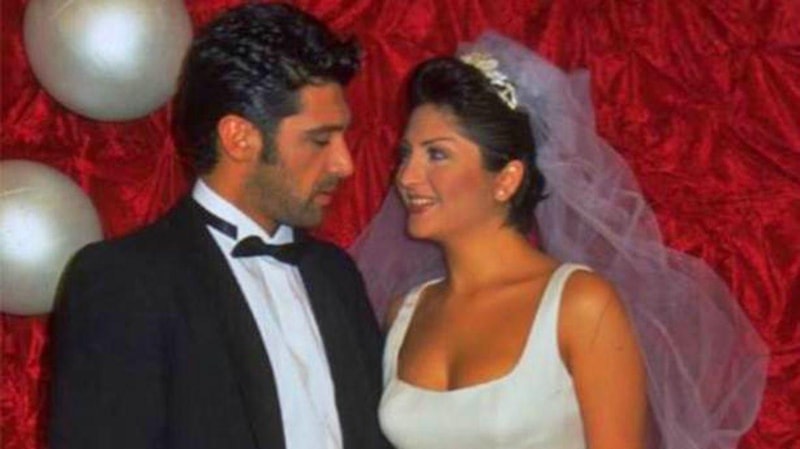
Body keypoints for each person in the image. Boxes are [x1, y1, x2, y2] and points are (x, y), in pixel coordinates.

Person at [352, 33, 768, 449]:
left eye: (437, 154)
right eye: (405, 154)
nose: (406, 177)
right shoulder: (406, 313)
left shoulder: (579, 305)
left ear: (507, 179)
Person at [49, 4, 388, 449]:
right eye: (320, 140)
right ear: (239, 138)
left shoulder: (336, 274)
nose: (344, 164)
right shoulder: (124, 280)